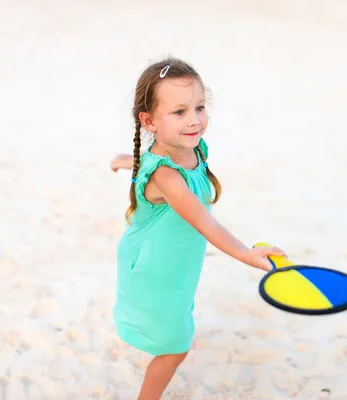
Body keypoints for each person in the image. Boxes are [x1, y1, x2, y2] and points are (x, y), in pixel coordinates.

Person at [110, 57, 286, 400]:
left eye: (199, 107)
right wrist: (247, 255)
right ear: (149, 121)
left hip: (175, 265)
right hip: (154, 269)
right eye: (179, 112)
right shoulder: (167, 176)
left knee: (175, 326)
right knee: (175, 348)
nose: (194, 120)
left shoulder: (188, 148)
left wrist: (128, 160)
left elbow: (152, 160)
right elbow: (204, 222)